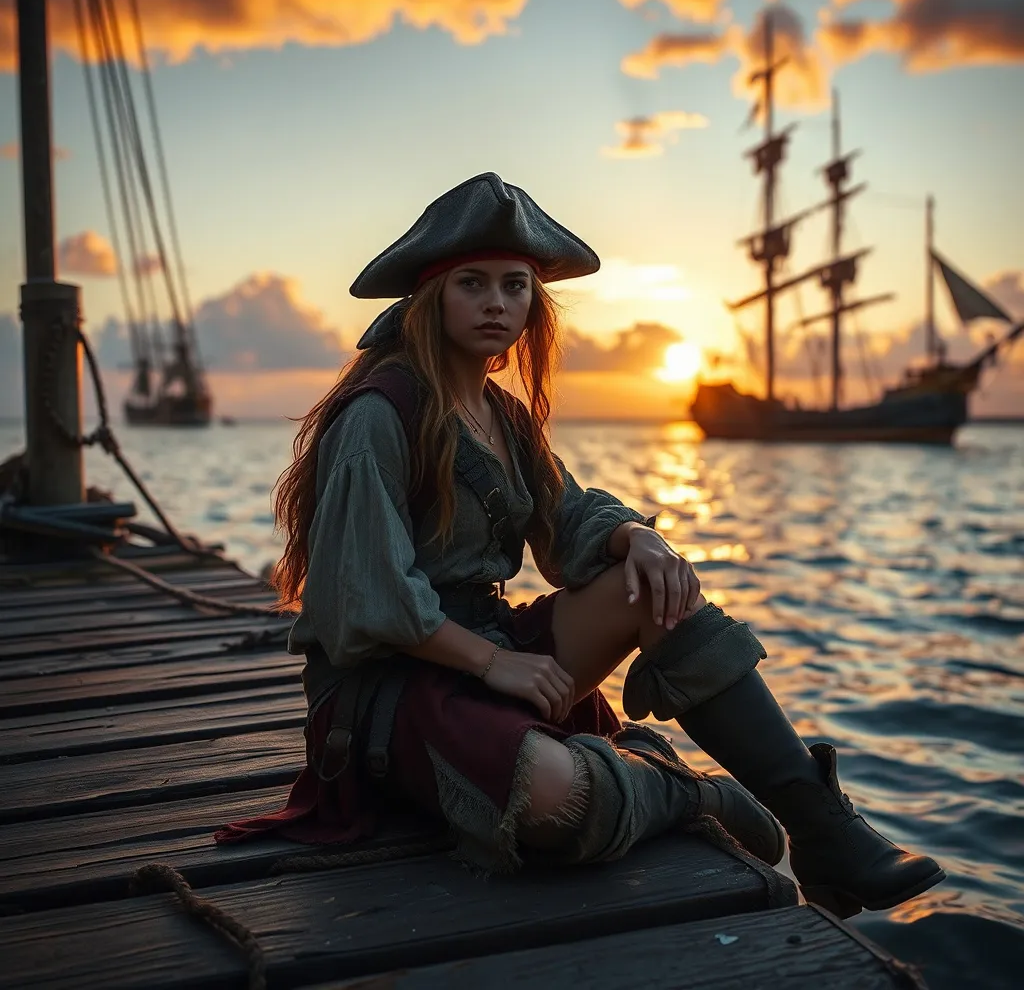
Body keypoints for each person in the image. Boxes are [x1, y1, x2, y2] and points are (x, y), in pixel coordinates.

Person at [216, 173, 944, 919]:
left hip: (486, 645)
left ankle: (823, 828)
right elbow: (363, 598)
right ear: (431, 298)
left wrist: (636, 538)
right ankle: (692, 792)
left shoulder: (501, 415)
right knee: (549, 798)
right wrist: (495, 663)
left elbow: (569, 521)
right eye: (473, 284)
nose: (497, 303)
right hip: (386, 683)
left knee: (652, 585)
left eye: (515, 285)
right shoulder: (380, 414)